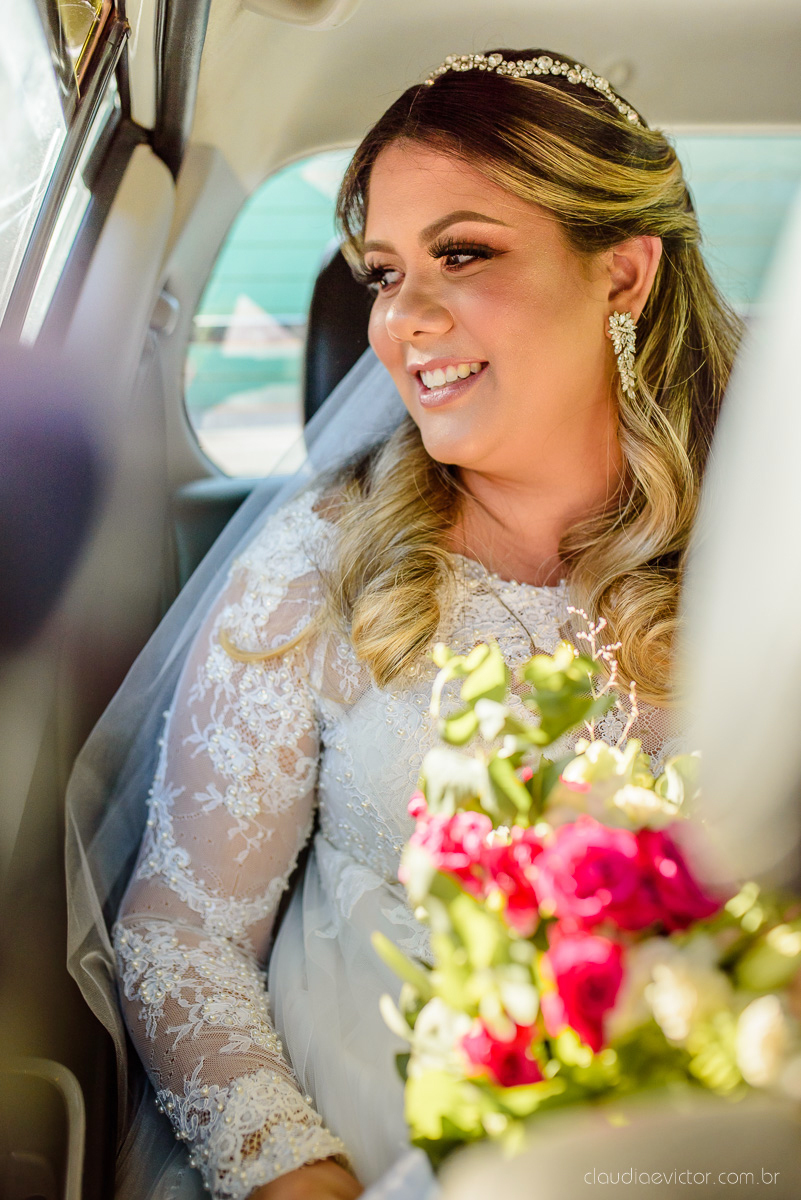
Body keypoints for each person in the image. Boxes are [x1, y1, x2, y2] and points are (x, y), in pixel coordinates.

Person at [69, 47, 744, 1200]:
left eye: (464, 254)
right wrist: (301, 1178)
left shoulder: (762, 562)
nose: (403, 320)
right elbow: (181, 934)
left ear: (625, 274)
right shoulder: (321, 564)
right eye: (383, 272)